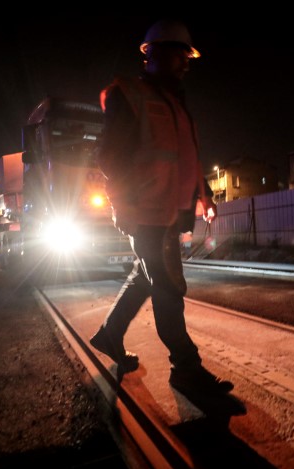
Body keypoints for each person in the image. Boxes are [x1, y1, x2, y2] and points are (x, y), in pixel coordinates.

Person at [88, 19, 233, 397]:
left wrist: (205, 196)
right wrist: (123, 204)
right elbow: (109, 158)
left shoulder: (175, 104)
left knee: (146, 277)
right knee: (168, 286)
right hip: (147, 213)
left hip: (170, 213)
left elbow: (187, 159)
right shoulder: (130, 95)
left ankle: (110, 334)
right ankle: (186, 368)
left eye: (188, 57)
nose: (186, 64)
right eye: (180, 55)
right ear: (154, 55)